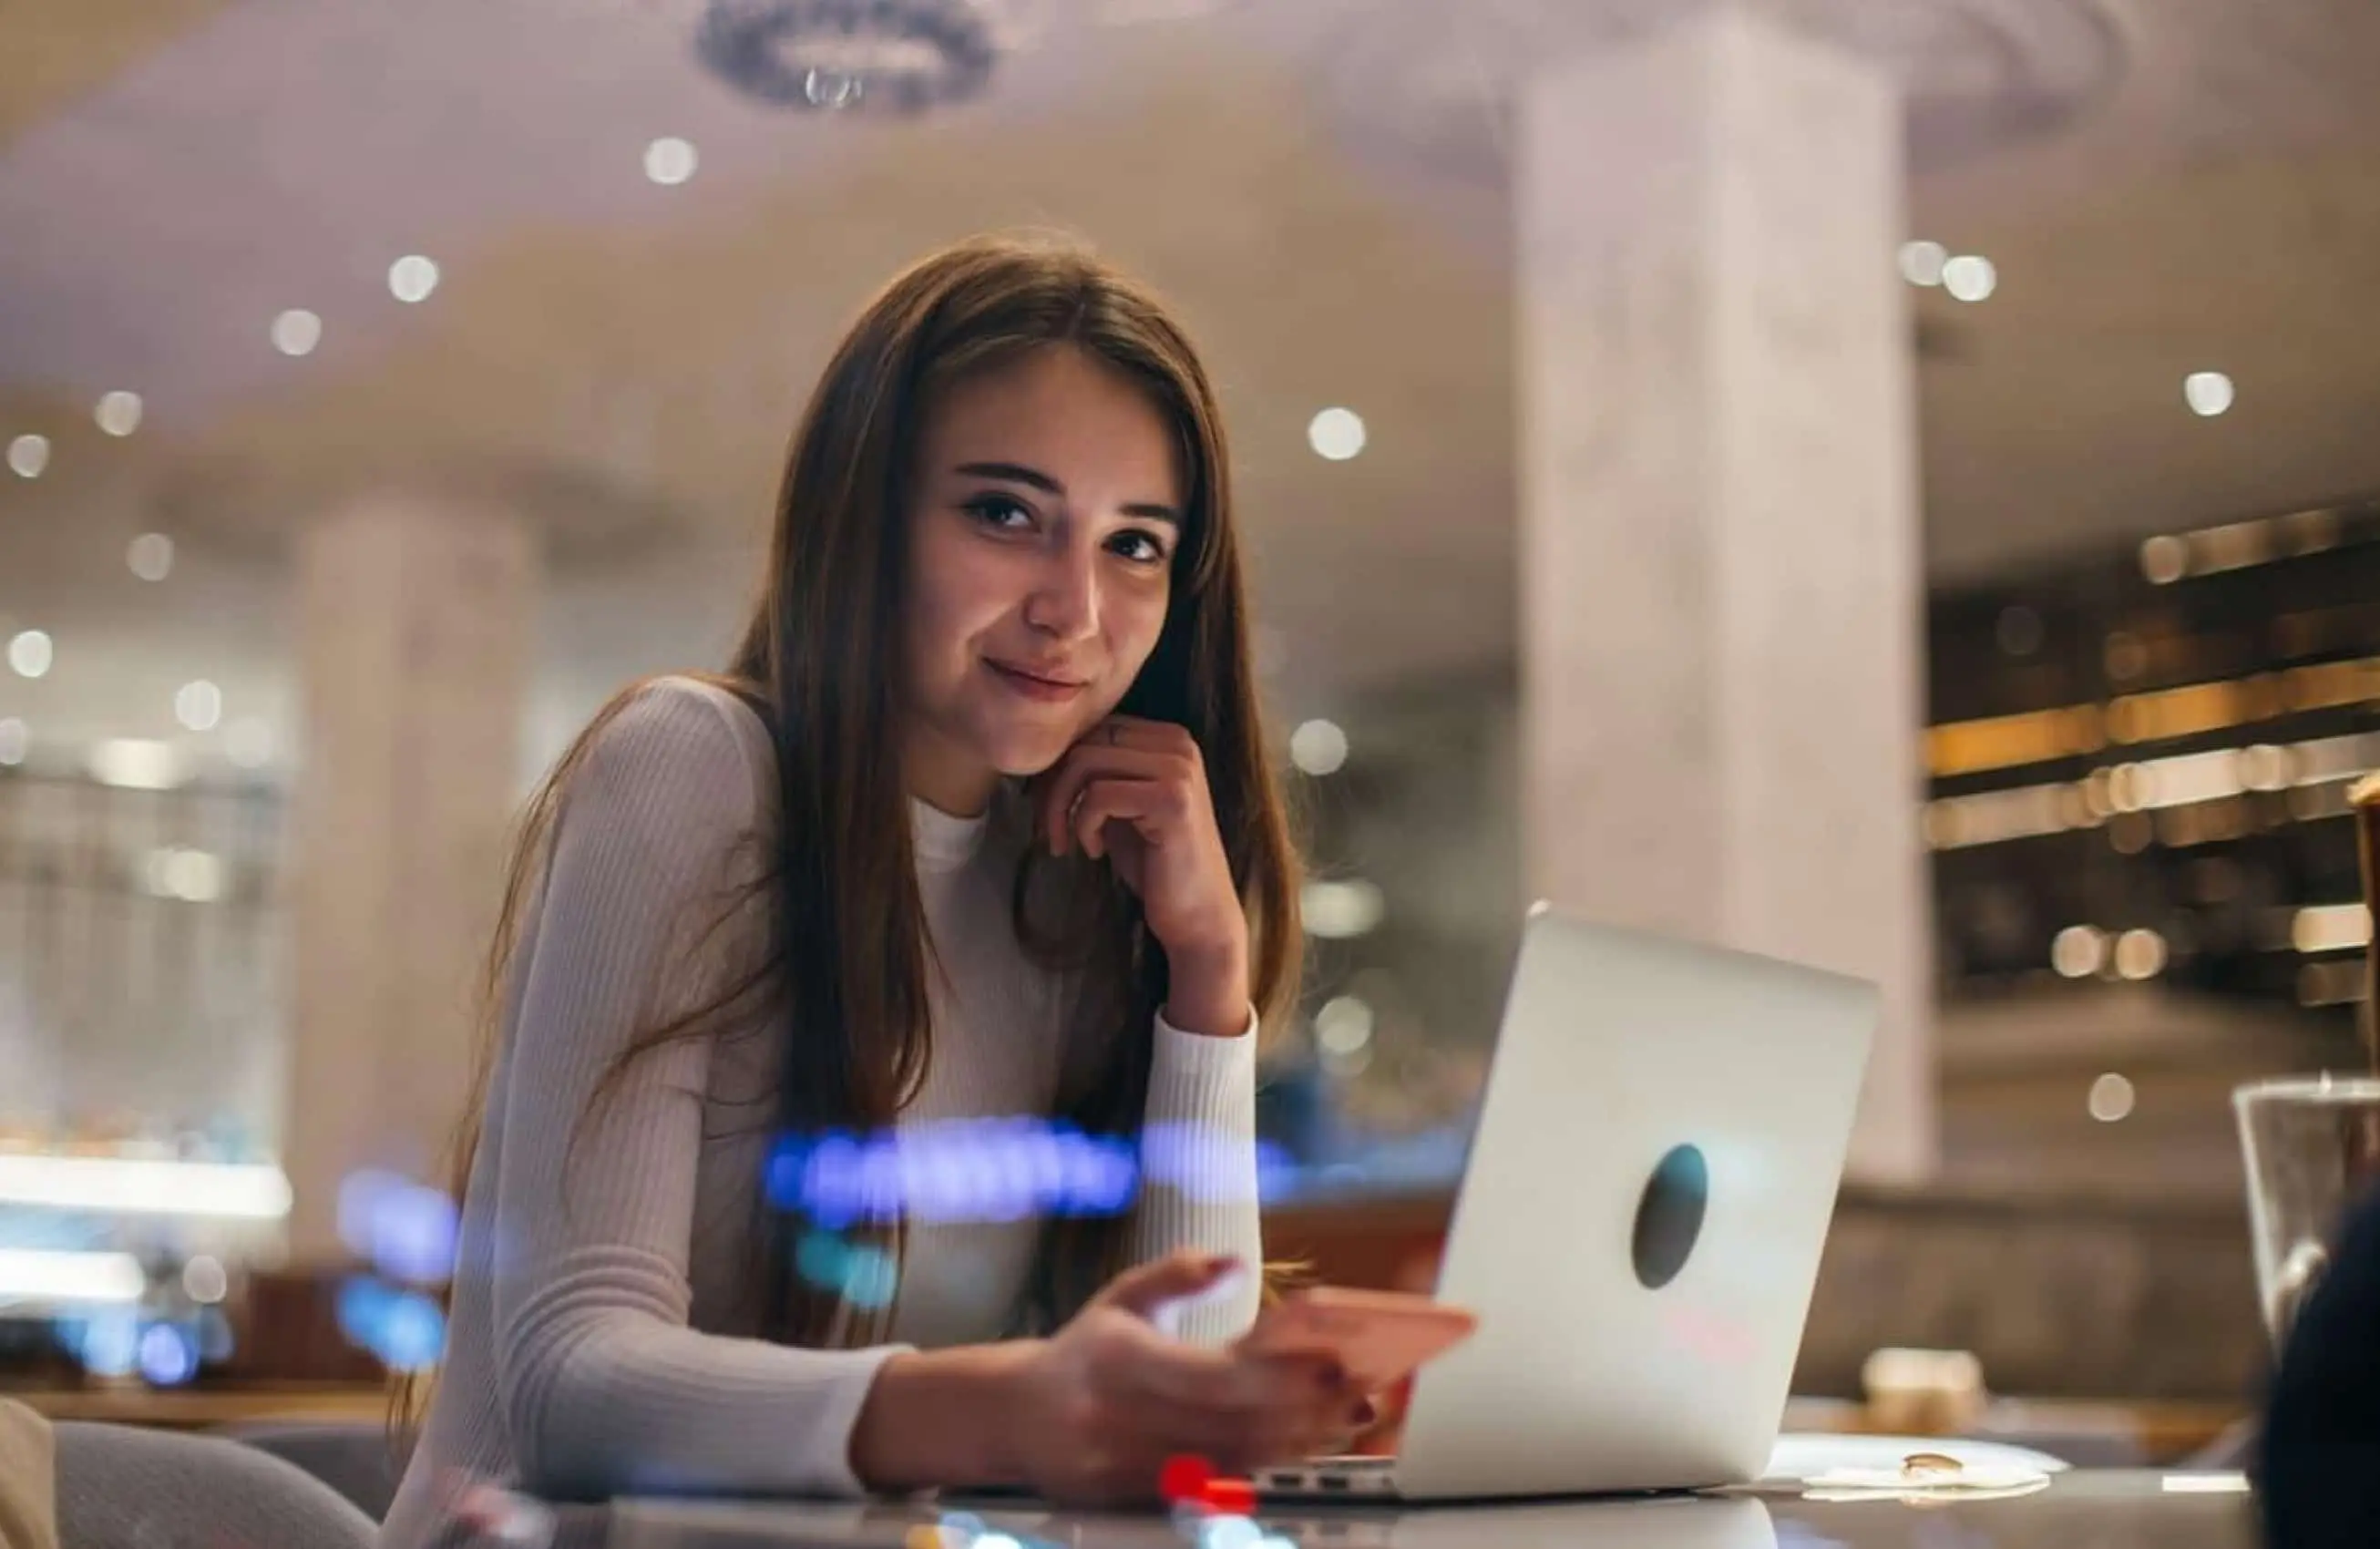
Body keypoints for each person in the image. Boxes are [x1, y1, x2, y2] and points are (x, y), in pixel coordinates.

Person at [380, 233, 1361, 1545]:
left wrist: (1205, 978)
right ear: (863, 516)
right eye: (1006, 513)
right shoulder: (693, 768)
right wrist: (1010, 1404)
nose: (1073, 606)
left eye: (1135, 544)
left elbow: (1169, 1394)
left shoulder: (1078, 883)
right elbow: (571, 1384)